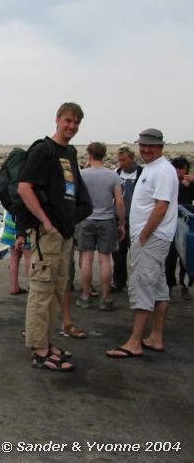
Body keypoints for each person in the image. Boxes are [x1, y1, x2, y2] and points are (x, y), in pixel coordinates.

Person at [17, 102, 92, 371]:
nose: (71, 126)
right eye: (68, 121)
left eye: (76, 122)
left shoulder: (69, 152)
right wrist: (46, 222)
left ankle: (46, 342)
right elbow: (24, 188)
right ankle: (39, 350)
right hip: (47, 235)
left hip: (64, 234)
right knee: (41, 290)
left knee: (57, 289)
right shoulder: (43, 149)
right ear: (57, 120)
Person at [106, 129, 178, 358]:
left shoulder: (164, 170)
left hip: (151, 239)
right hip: (149, 238)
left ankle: (134, 342)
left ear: (161, 147)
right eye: (143, 145)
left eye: (151, 146)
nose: (146, 149)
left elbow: (161, 206)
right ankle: (156, 337)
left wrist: (144, 235)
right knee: (158, 287)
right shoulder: (152, 168)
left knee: (142, 285)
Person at [75, 142, 126, 311]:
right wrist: (122, 223)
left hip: (86, 219)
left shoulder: (81, 174)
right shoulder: (113, 176)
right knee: (105, 259)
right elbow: (119, 202)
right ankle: (105, 298)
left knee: (86, 258)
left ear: (89, 154)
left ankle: (85, 296)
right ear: (104, 155)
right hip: (106, 220)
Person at [111, 147, 143, 292]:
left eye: (123, 160)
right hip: (118, 218)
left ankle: (139, 282)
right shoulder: (116, 173)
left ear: (131, 158)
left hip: (137, 219)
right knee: (118, 253)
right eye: (119, 160)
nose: (121, 163)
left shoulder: (142, 173)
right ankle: (119, 281)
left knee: (137, 252)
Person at [164, 157, 194, 300]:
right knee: (170, 257)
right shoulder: (169, 181)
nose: (181, 172)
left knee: (186, 257)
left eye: (184, 169)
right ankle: (168, 285)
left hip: (186, 222)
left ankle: (185, 285)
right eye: (178, 169)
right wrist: (180, 184)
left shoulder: (190, 182)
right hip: (170, 222)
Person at [0, 212, 31, 295]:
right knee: (29, 256)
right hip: (24, 222)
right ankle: (33, 287)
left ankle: (14, 287)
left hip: (10, 218)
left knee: (14, 255)